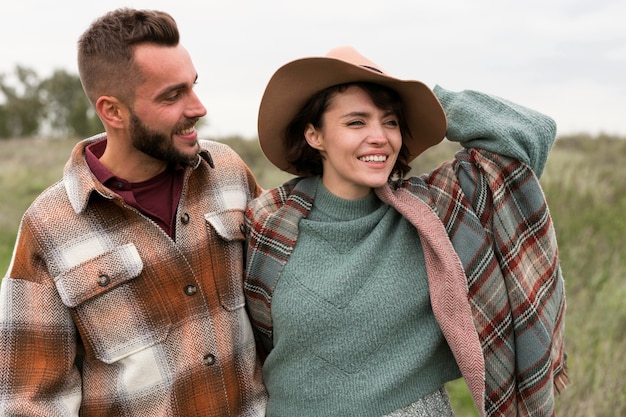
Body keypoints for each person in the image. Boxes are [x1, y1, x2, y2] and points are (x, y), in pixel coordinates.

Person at [244, 46, 569, 417]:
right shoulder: (268, 223)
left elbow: (531, 132)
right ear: (315, 135)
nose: (380, 137)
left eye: (391, 121)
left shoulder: (433, 211)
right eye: (356, 122)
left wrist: (426, 99)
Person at [0, 8, 266, 416]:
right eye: (172, 95)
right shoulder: (49, 227)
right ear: (113, 111)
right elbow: (30, 401)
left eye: (193, 86)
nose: (198, 107)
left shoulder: (228, 173)